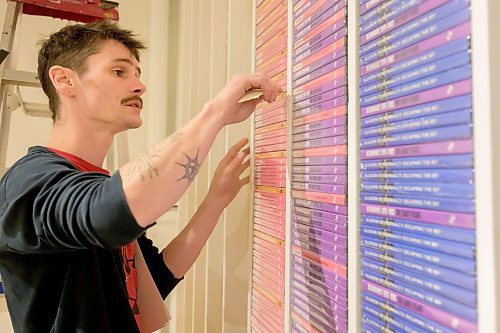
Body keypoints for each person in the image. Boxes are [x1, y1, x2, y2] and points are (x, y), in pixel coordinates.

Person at [0, 20, 278, 332]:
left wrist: (215, 200)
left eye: (137, 75)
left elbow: (153, 284)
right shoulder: (29, 181)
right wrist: (214, 113)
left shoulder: (93, 183)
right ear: (64, 80)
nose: (139, 86)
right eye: (119, 72)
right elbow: (107, 212)